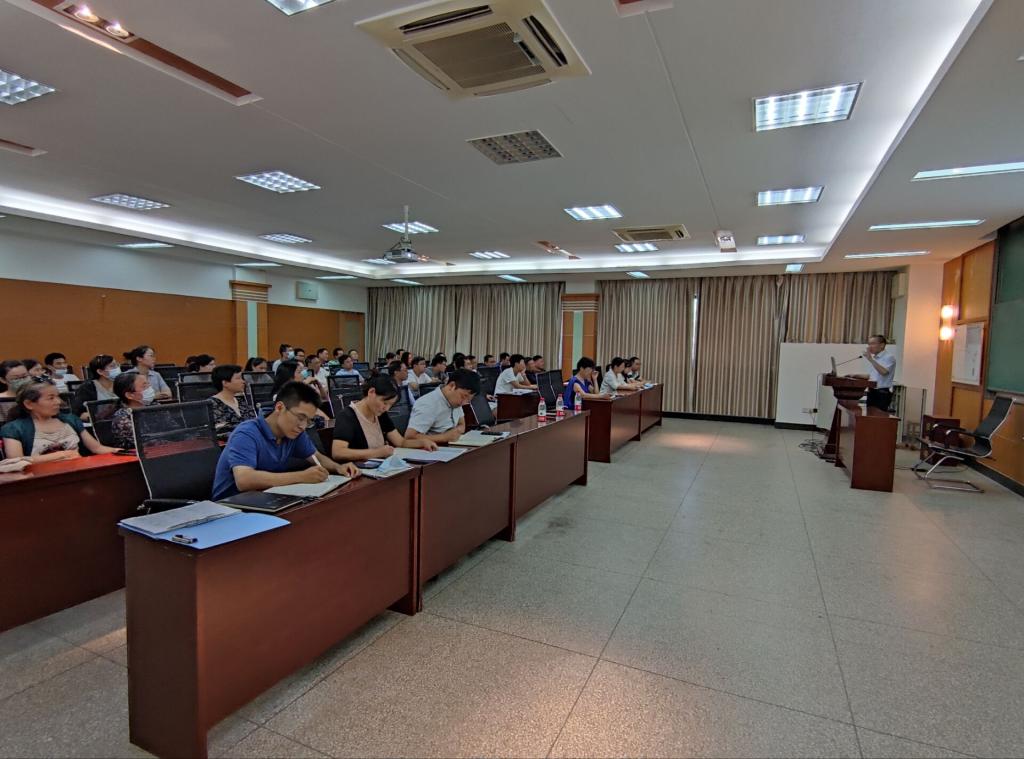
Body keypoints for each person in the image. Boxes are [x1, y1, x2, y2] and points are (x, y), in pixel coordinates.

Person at [211, 381, 359, 500]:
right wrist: (301, 476)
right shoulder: (246, 433)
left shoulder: (294, 433)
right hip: (231, 507)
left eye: (308, 421)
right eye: (300, 418)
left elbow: (317, 457)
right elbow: (244, 480)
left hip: (266, 499)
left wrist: (338, 468)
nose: (303, 426)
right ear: (280, 407)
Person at [2, 379, 118, 462]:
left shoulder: (70, 420)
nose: (58, 402)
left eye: (58, 396)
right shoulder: (14, 428)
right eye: (51, 398)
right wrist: (62, 455)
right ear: (29, 404)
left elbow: (97, 448)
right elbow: (17, 460)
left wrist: (123, 452)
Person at [331, 375, 439, 462]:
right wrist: (377, 453)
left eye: (390, 405)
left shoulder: (380, 414)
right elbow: (338, 452)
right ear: (371, 392)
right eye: (384, 402)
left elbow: (401, 442)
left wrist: (422, 442)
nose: (386, 408)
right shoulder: (347, 416)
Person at [405, 369, 480, 444]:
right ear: (452, 386)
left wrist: (456, 432)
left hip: (452, 445)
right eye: (463, 396)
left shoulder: (455, 400)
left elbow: (462, 424)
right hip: (433, 448)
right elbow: (409, 437)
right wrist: (444, 437)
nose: (464, 403)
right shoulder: (428, 403)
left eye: (468, 400)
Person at [209, 364, 256, 436]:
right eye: (238, 378)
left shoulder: (242, 401)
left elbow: (254, 421)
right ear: (225, 383)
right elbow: (221, 431)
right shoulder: (212, 404)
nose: (243, 381)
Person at [108, 372, 149, 449]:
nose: (149, 388)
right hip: (137, 454)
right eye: (144, 386)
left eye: (148, 384)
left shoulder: (155, 407)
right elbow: (147, 442)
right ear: (130, 395)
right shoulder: (122, 419)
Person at [857, 334, 897, 411]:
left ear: (882, 345)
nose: (869, 347)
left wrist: (870, 359)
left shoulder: (889, 357)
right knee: (869, 415)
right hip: (872, 392)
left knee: (878, 417)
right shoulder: (876, 358)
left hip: (881, 394)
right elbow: (872, 376)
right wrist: (854, 375)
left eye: (873, 343)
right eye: (869, 344)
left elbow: (884, 372)